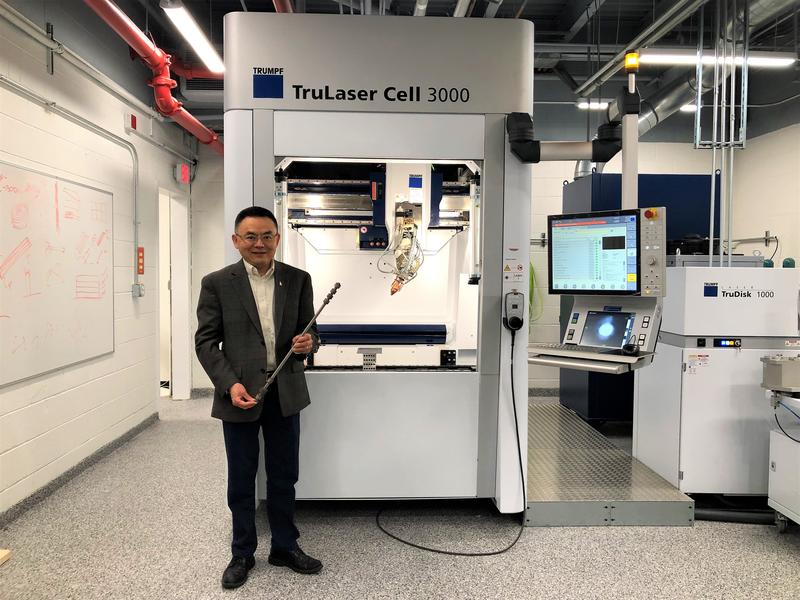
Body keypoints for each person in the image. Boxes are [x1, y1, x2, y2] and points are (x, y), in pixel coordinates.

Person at [195, 206, 322, 589]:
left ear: (278, 239)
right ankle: (242, 552)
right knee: (241, 479)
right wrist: (229, 384)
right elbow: (205, 341)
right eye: (250, 236)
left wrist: (307, 343)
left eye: (267, 235)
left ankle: (284, 546)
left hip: (285, 393)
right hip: (240, 395)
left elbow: (313, 332)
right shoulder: (217, 282)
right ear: (236, 241)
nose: (259, 243)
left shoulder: (298, 280)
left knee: (284, 476)